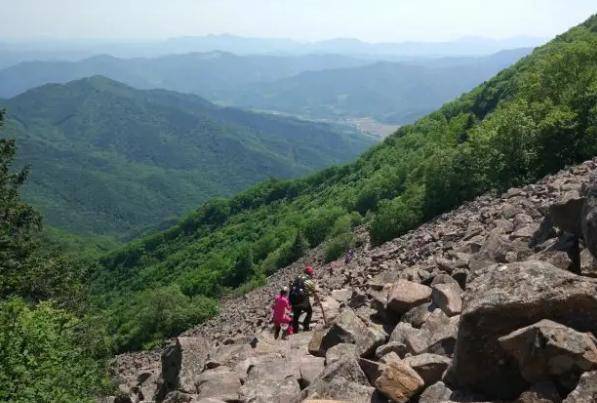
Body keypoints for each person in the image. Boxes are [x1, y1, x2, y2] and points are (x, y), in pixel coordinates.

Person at [289, 266, 324, 333]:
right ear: (310, 274)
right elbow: (315, 294)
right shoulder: (310, 282)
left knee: (296, 316)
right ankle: (306, 327)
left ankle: (295, 331)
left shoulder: (297, 277)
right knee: (309, 312)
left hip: (293, 300)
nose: (313, 275)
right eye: (312, 274)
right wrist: (319, 302)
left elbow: (291, 286)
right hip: (302, 301)